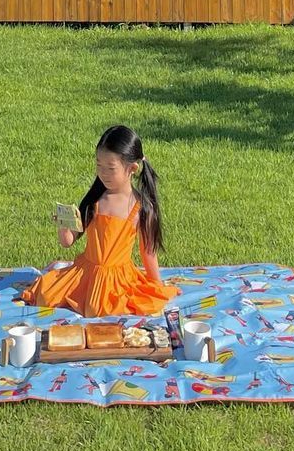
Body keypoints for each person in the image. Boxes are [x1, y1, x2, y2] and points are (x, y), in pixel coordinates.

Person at [21, 125, 177, 318]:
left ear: (132, 169)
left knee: (99, 309)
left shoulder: (141, 208)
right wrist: (64, 225)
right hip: (86, 272)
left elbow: (148, 253)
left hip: (117, 278)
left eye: (110, 168)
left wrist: (156, 286)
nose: (103, 173)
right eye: (99, 166)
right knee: (44, 295)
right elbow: (68, 241)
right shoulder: (95, 199)